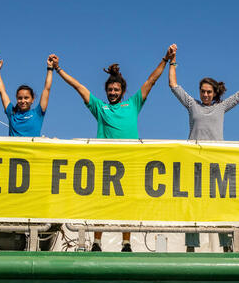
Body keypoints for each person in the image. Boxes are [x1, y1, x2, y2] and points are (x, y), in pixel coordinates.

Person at [53, 45, 176, 252]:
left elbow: (151, 81)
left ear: (123, 92)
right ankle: (97, 242)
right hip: (104, 163)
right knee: (102, 203)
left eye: (116, 90)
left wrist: (165, 59)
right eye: (110, 90)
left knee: (126, 203)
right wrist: (58, 69)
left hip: (128, 163)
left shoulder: (133, 104)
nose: (112, 93)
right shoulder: (100, 108)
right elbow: (79, 87)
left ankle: (126, 242)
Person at [168, 44, 239, 252]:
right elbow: (173, 85)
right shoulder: (192, 105)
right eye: (203, 91)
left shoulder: (221, 107)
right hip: (194, 164)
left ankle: (226, 245)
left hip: (217, 164)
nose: (205, 95)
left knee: (220, 205)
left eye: (208, 92)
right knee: (193, 206)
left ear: (214, 93)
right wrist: (172, 60)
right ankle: (191, 246)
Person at [0, 53, 53, 137]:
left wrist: (50, 68)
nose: (23, 101)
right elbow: (2, 91)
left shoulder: (38, 113)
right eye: (20, 98)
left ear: (33, 99)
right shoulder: (12, 113)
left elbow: (47, 88)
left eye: (26, 98)